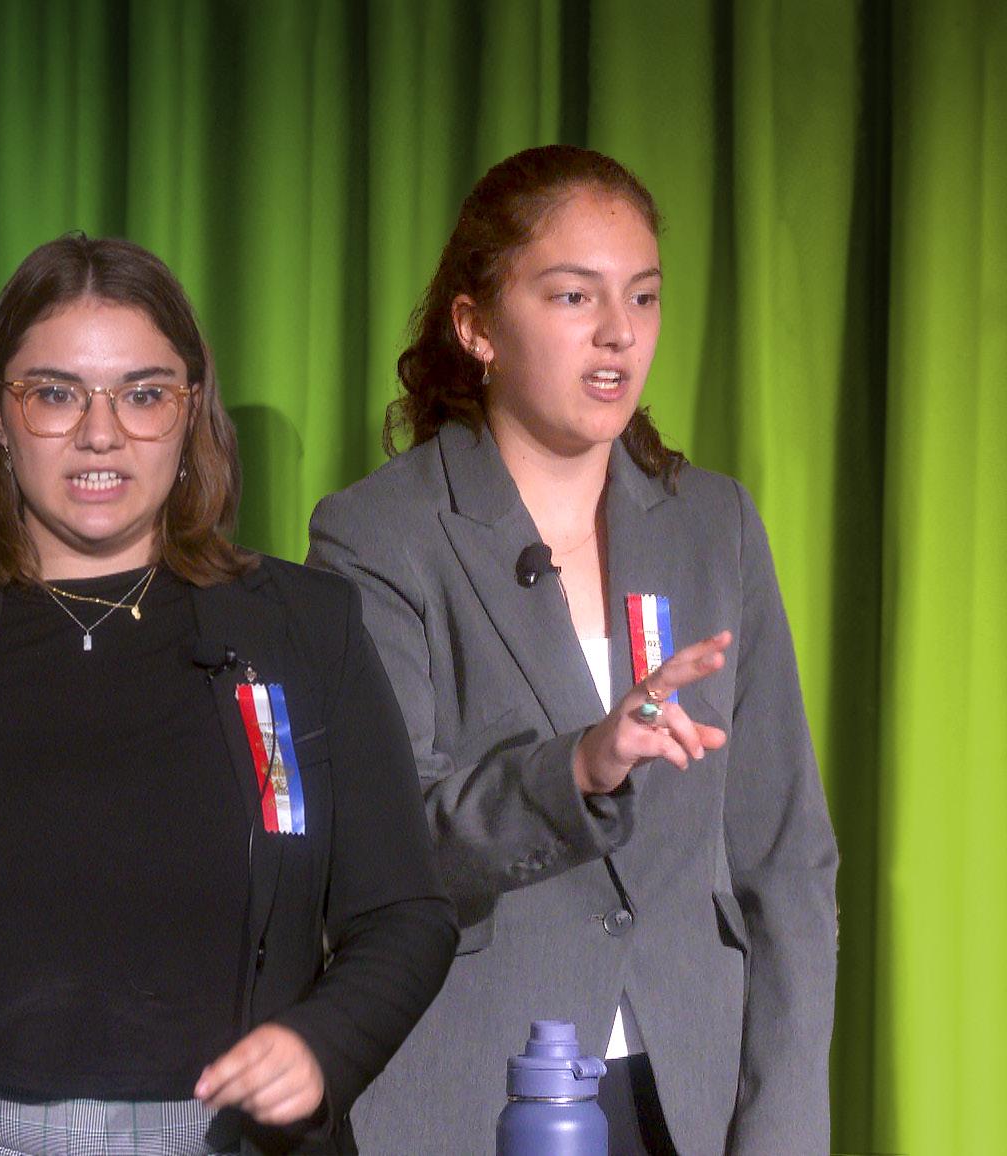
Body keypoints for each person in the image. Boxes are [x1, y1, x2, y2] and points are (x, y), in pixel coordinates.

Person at [0, 234, 456, 1155]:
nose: (101, 432)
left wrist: (324, 1044)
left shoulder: (305, 629)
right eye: (55, 393)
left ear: (191, 413)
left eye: (144, 394)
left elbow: (405, 915)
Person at [307, 146, 839, 1154]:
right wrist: (579, 770)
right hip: (473, 1090)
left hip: (688, 1094)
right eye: (572, 296)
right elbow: (384, 849)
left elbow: (787, 859)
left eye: (642, 296)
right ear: (476, 327)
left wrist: (782, 1129)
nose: (618, 333)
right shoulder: (379, 535)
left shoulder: (713, 523)